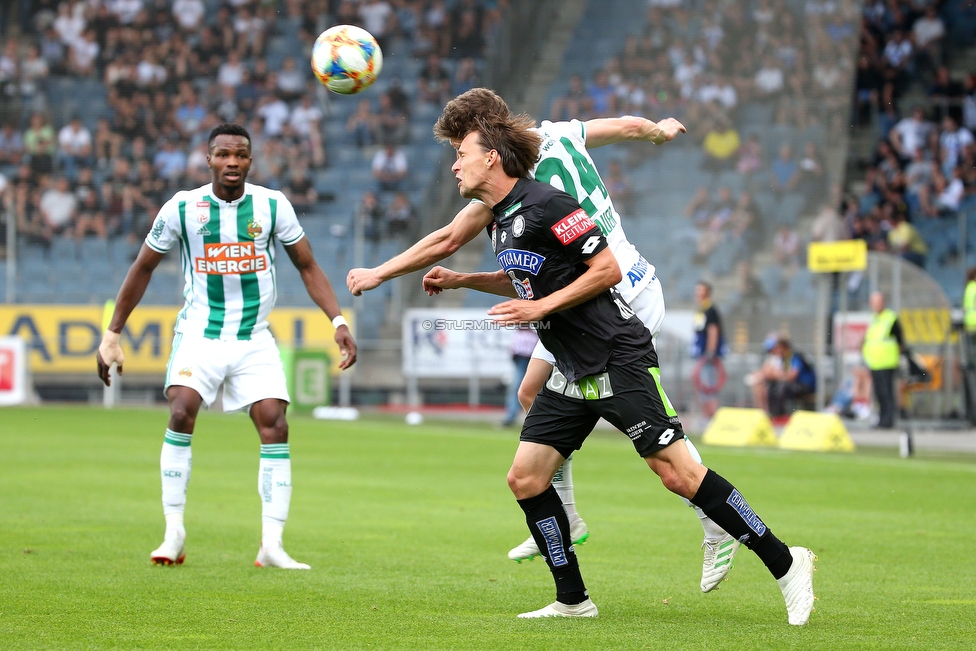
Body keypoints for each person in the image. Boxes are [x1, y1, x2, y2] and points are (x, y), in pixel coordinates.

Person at [414, 100, 815, 623]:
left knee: (677, 473)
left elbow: (603, 269)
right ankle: (573, 600)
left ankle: (788, 563)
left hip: (615, 353)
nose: (454, 164)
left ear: (492, 156)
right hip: (572, 363)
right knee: (526, 477)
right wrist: (465, 280)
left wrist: (536, 307)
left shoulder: (552, 203)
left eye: (461, 153)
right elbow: (530, 272)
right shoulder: (506, 218)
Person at [347, 89, 738, 593]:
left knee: (657, 445)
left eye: (460, 146)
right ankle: (568, 519)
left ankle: (714, 523)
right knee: (532, 393)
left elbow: (448, 238)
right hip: (625, 285)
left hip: (604, 299)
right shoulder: (555, 131)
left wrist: (380, 272)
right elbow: (621, 125)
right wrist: (658, 130)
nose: (456, 158)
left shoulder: (518, 185)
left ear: (486, 138)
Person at [95, 124, 357, 570]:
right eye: (223, 155)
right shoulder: (183, 207)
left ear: (251, 161)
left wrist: (337, 320)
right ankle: (173, 530)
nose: (231, 162)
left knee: (275, 422)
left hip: (254, 338)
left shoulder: (273, 206)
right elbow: (142, 267)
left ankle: (271, 544)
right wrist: (113, 332)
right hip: (199, 334)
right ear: (208, 158)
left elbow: (307, 265)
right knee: (181, 410)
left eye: (240, 155)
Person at [862, 291, 904, 429]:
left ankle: (888, 420)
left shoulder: (890, 318)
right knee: (879, 393)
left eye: (878, 302)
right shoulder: (874, 319)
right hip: (875, 362)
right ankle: (881, 419)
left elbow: (900, 341)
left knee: (887, 393)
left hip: (887, 361)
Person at [748, 336, 816, 417]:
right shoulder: (782, 358)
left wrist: (777, 375)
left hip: (805, 385)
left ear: (784, 347)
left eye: (777, 348)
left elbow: (792, 376)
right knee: (772, 386)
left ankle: (779, 415)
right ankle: (769, 413)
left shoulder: (794, 356)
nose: (775, 351)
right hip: (792, 384)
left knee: (782, 386)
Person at [691, 281, 725, 417]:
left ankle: (712, 415)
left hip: (708, 356)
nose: (698, 294)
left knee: (709, 386)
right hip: (700, 353)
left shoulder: (711, 310)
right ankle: (706, 414)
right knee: (701, 386)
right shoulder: (701, 310)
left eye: (701, 291)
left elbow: (713, 331)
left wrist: (710, 352)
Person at [502, 326, 539, 427]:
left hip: (526, 361)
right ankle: (513, 416)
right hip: (524, 361)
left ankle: (513, 417)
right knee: (520, 390)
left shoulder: (524, 334)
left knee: (519, 389)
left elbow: (513, 351)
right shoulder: (530, 335)